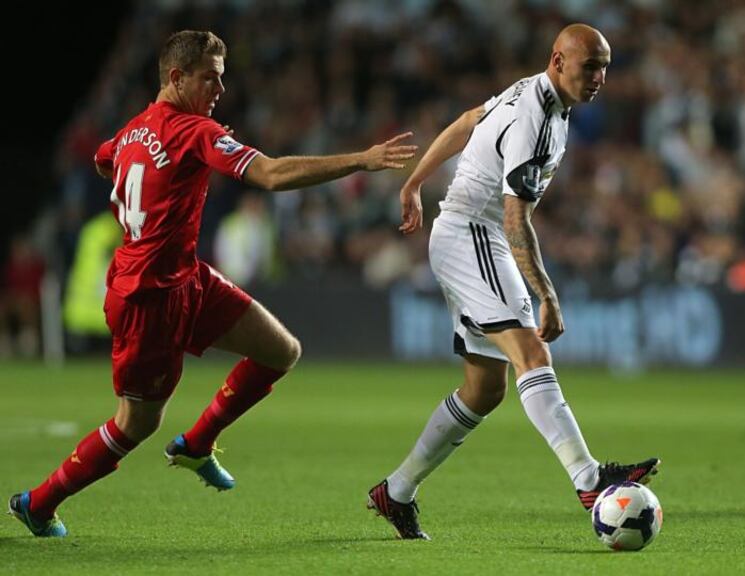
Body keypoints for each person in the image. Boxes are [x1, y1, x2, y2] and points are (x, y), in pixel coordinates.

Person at [8, 30, 417, 537]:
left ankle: (198, 443)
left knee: (280, 350)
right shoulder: (193, 132)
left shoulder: (132, 130)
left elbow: (103, 156)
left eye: (222, 79)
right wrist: (362, 159)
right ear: (177, 78)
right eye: (211, 79)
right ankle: (39, 503)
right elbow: (268, 174)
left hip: (187, 279)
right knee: (135, 425)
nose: (220, 91)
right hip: (148, 299)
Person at [367, 23, 659, 540]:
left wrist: (414, 181)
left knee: (484, 389)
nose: (599, 78)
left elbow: (465, 122)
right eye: (589, 66)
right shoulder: (537, 119)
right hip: (473, 232)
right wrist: (546, 294)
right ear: (558, 60)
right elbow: (512, 218)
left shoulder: (528, 88)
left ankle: (396, 491)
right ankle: (589, 480)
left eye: (605, 67)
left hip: (464, 233)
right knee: (532, 355)